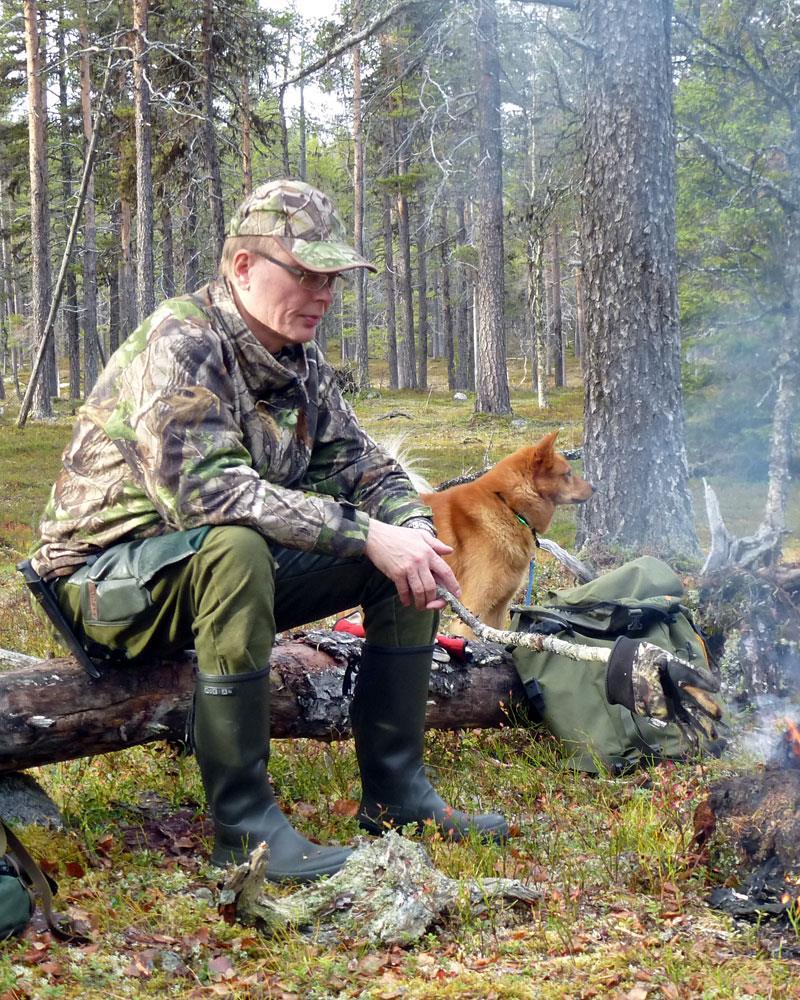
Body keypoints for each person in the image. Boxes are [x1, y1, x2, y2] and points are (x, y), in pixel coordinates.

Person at [28, 179, 508, 883]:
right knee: (241, 542)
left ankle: (397, 794)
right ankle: (246, 833)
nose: (323, 294)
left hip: (208, 574)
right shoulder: (181, 340)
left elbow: (365, 464)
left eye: (332, 279)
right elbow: (210, 495)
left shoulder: (295, 358)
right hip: (104, 584)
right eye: (306, 274)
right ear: (243, 267)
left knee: (393, 551)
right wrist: (364, 532)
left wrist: (407, 528)